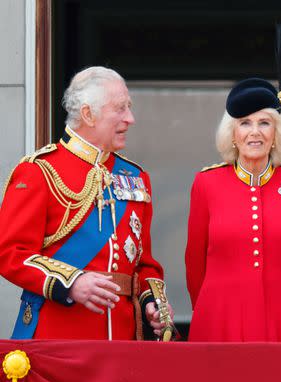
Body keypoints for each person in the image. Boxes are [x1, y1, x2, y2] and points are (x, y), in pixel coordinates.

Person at [0, 66, 174, 340]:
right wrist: (71, 283)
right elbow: (12, 253)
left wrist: (150, 301)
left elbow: (144, 264)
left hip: (121, 340)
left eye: (129, 107)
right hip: (59, 337)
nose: (130, 118)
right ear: (87, 114)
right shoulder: (39, 171)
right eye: (120, 109)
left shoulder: (136, 177)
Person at [185, 23, 281, 342]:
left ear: (276, 133)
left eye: (264, 122)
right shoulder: (206, 183)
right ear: (232, 134)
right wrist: (206, 309)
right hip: (219, 317)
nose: (254, 132)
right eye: (244, 123)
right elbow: (194, 264)